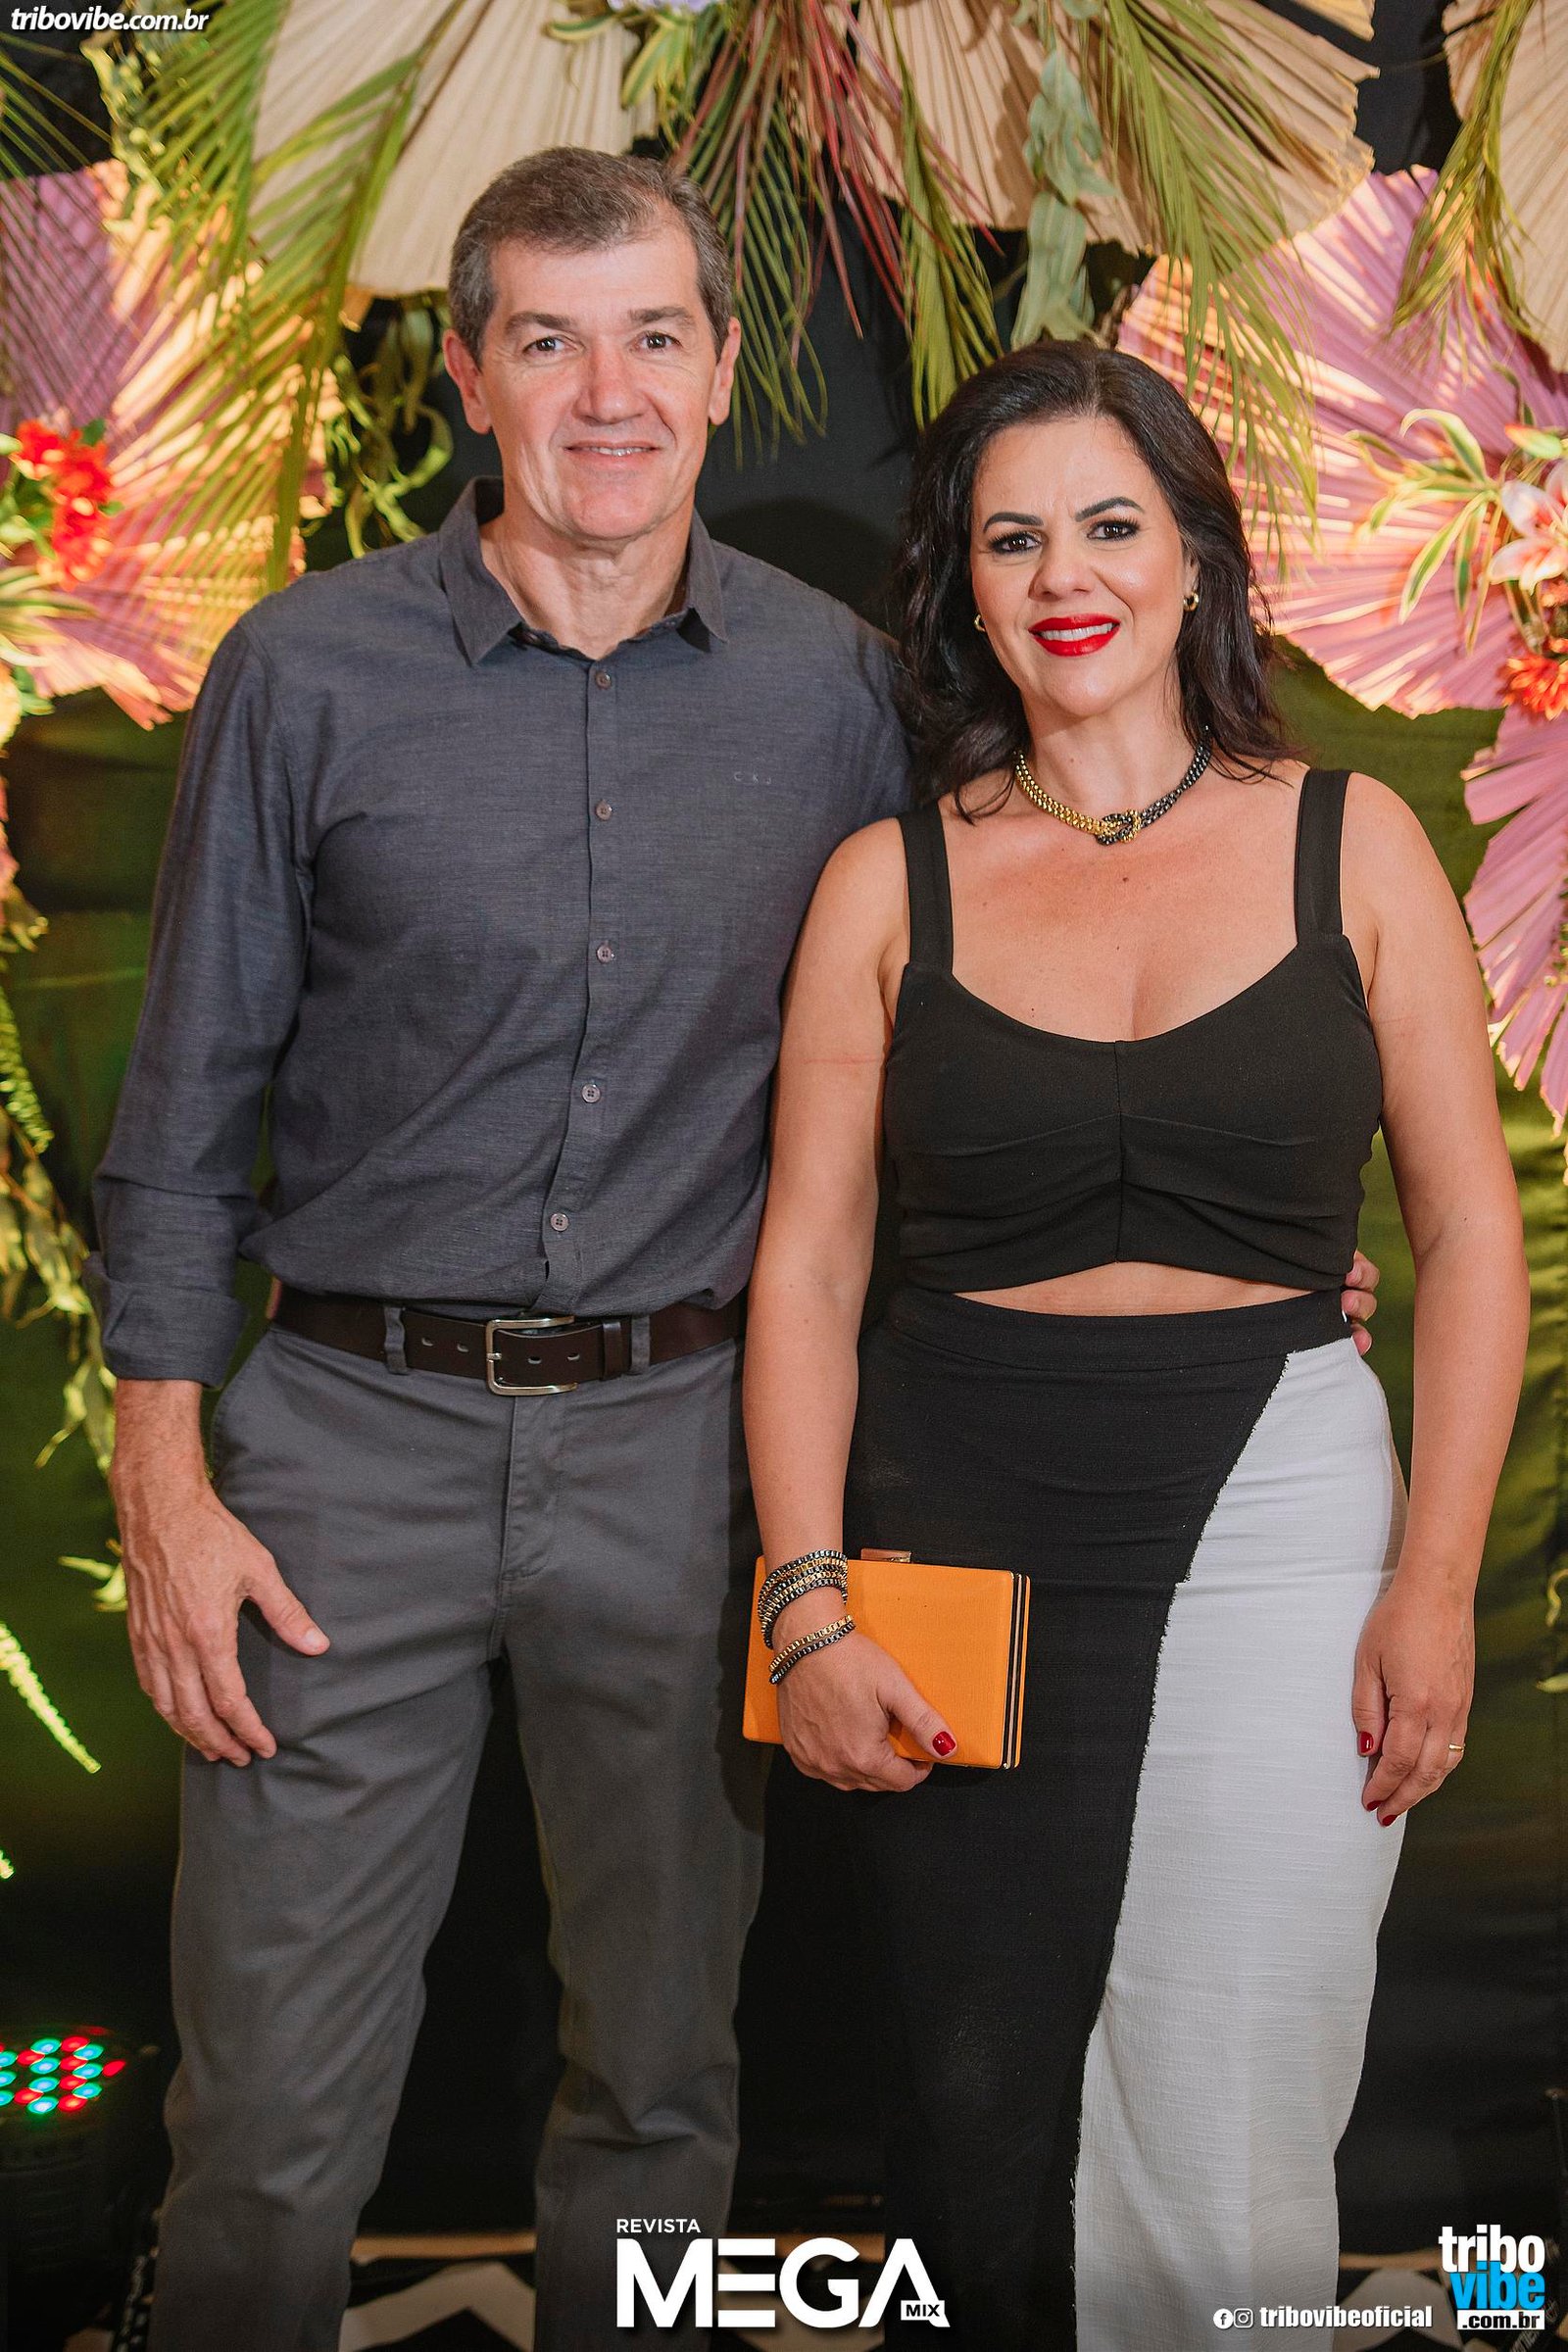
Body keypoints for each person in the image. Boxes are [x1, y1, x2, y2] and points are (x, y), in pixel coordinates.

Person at [86, 148, 917, 2352]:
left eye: (653, 338)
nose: (607, 394)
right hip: (341, 1454)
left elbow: (938, 1066)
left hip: (685, 1450)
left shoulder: (838, 693)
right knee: (267, 2118)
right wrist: (167, 1484)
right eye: (550, 341)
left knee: (662, 2084)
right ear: (470, 374)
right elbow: (180, 1113)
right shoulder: (303, 672)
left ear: (721, 374)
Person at [742, 341, 1528, 2352]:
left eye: (1109, 524)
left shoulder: (1351, 842)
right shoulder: (883, 884)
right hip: (954, 1529)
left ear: (1195, 557)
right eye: (1011, 539)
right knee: (976, 2087)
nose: (1063, 575)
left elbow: (1465, 1233)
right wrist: (805, 1605)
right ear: (963, 586)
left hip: (1280, 1513)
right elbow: (808, 1271)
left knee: (1235, 2067)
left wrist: (1433, 1582)